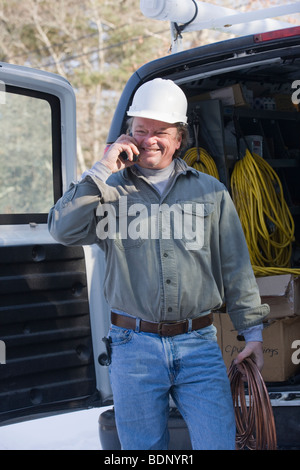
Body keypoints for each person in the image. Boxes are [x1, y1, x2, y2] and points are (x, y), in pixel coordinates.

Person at [48, 78, 270, 450]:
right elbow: (62, 229)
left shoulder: (211, 192)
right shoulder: (108, 191)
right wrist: (101, 170)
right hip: (133, 347)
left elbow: (236, 267)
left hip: (198, 344)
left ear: (179, 137)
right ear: (128, 135)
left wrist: (254, 334)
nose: (149, 139)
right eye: (140, 131)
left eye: (160, 132)